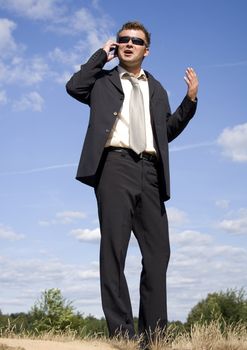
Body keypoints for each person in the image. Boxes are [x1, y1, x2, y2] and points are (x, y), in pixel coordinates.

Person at [66, 21, 198, 346]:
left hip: (151, 171)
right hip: (114, 167)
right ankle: (123, 335)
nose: (128, 44)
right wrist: (101, 54)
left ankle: (154, 337)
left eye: (135, 41)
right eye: (123, 40)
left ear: (146, 50)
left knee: (158, 254)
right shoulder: (101, 82)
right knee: (114, 251)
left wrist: (190, 102)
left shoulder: (158, 89)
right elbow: (74, 86)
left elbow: (165, 132)